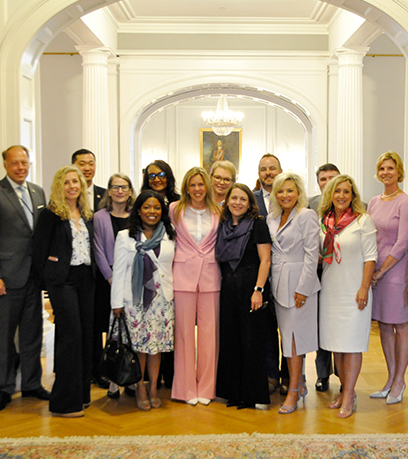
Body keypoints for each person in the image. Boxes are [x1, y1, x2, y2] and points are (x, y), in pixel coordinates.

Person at [33, 165, 94, 418]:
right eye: (66, 182)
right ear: (60, 186)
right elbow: (38, 252)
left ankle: (81, 395)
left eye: (75, 181)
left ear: (81, 185)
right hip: (63, 281)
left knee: (85, 337)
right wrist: (47, 283)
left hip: (85, 279)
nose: (71, 186)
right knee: (71, 337)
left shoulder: (87, 213)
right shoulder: (50, 214)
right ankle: (63, 403)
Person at [110, 190, 176, 411]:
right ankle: (139, 387)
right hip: (134, 300)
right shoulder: (125, 236)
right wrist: (116, 303)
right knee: (139, 347)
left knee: (156, 348)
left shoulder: (169, 234)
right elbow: (118, 271)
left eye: (157, 208)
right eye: (147, 207)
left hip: (162, 299)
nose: (152, 212)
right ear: (139, 210)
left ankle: (154, 388)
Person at [319, 175, 377, 418]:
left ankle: (350, 394)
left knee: (351, 346)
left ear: (353, 196)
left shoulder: (363, 221)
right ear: (330, 194)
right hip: (330, 291)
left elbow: (370, 257)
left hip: (355, 291)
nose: (341, 196)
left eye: (346, 191)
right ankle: (343, 392)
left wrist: (364, 287)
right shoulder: (324, 222)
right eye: (337, 191)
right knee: (337, 347)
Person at [0, 145, 49, 412]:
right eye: (15, 163)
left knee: (33, 333)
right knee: (4, 336)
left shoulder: (37, 192)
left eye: (25, 162)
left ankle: (32, 383)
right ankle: (4, 387)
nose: (21, 167)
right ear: (6, 165)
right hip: (7, 277)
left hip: (34, 276)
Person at [268, 172, 320, 414]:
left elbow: (312, 254)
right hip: (278, 285)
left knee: (295, 341)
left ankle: (293, 390)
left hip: (300, 285)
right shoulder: (272, 217)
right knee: (286, 338)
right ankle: (298, 385)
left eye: (290, 190)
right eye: (280, 191)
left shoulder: (306, 215)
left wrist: (304, 288)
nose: (285, 195)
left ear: (299, 192)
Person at [215, 184, 271, 409]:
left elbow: (265, 260)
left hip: (251, 289)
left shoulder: (257, 224)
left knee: (251, 342)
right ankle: (232, 393)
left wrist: (258, 290)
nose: (237, 202)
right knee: (230, 341)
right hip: (228, 288)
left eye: (243, 199)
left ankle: (252, 395)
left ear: (250, 204)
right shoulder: (223, 225)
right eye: (234, 198)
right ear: (227, 200)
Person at [170, 166, 221, 406]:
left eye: (201, 184)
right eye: (193, 185)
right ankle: (185, 388)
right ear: (186, 188)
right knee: (183, 334)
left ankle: (207, 388)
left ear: (207, 187)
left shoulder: (218, 211)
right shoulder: (174, 209)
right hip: (182, 276)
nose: (197, 189)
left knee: (210, 335)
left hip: (211, 275)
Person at [368, 151, 408, 405]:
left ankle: (400, 381)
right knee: (383, 325)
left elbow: (403, 241)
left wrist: (383, 271)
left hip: (396, 272)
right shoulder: (373, 201)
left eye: (390, 168)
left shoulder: (404, 201)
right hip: (375, 271)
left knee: (401, 327)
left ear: (399, 171)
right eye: (382, 168)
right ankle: (389, 378)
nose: (386, 173)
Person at [93, 173, 136, 398]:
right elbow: (98, 249)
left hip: (132, 279)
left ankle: (129, 377)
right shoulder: (100, 217)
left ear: (130, 191)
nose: (120, 191)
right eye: (115, 187)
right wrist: (111, 277)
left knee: (131, 328)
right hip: (108, 279)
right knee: (112, 328)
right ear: (108, 191)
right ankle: (112, 377)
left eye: (124, 187)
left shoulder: (135, 216)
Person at [140, 159, 179, 387]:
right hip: (147, 275)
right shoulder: (142, 200)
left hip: (172, 270)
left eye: (161, 174)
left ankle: (170, 376)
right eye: (152, 175)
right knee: (148, 330)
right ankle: (145, 379)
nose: (157, 179)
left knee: (170, 328)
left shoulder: (177, 202)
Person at [72, 148, 107, 388]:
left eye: (91, 163)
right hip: (80, 271)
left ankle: (101, 368)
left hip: (102, 268)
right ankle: (82, 370)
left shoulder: (104, 195)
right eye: (82, 164)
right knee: (85, 324)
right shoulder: (68, 194)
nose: (87, 168)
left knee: (100, 320)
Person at [253, 153, 288, 395]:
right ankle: (270, 375)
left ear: (280, 170)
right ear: (259, 174)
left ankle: (290, 376)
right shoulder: (251, 200)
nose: (268, 173)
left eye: (272, 168)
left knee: (289, 329)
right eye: (264, 169)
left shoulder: (293, 199)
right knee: (266, 330)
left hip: (288, 274)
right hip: (261, 275)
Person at [308, 163, 340, 393]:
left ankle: (344, 373)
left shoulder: (356, 207)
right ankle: (322, 374)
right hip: (317, 274)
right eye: (323, 179)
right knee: (320, 325)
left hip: (341, 275)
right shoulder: (309, 205)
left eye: (332, 178)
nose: (327, 182)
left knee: (341, 325)